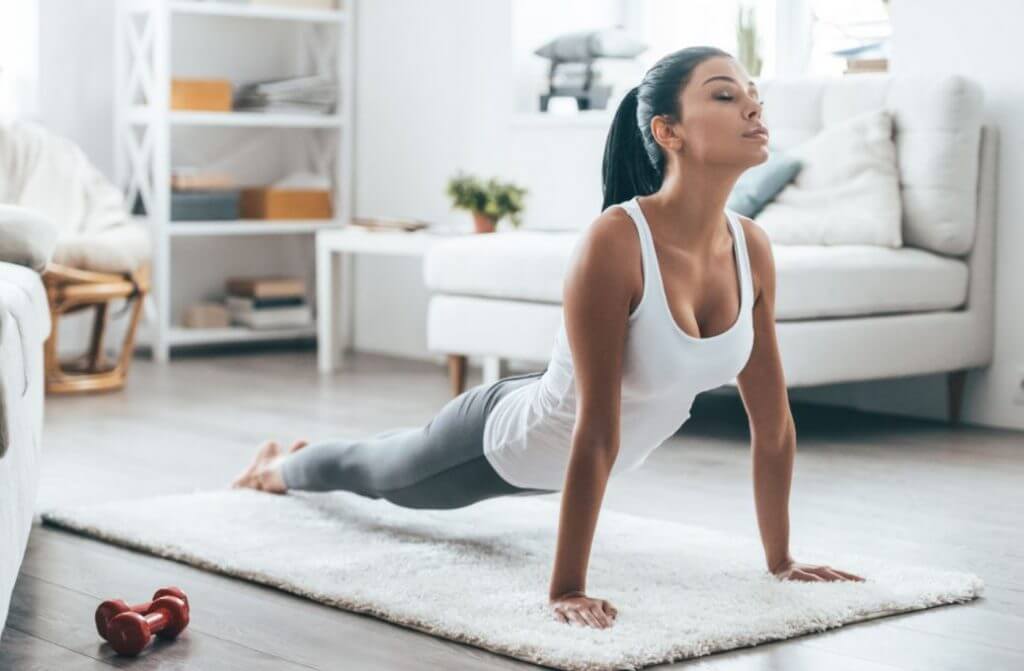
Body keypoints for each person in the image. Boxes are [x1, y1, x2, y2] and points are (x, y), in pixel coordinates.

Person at [232, 46, 865, 631]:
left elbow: (772, 423)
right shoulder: (616, 241)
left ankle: (292, 459)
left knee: (386, 456)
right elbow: (595, 427)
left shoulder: (751, 246)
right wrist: (567, 588)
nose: (753, 106)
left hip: (567, 453)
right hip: (508, 441)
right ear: (667, 132)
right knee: (379, 472)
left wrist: (782, 560)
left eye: (754, 94)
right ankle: (277, 469)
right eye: (725, 95)